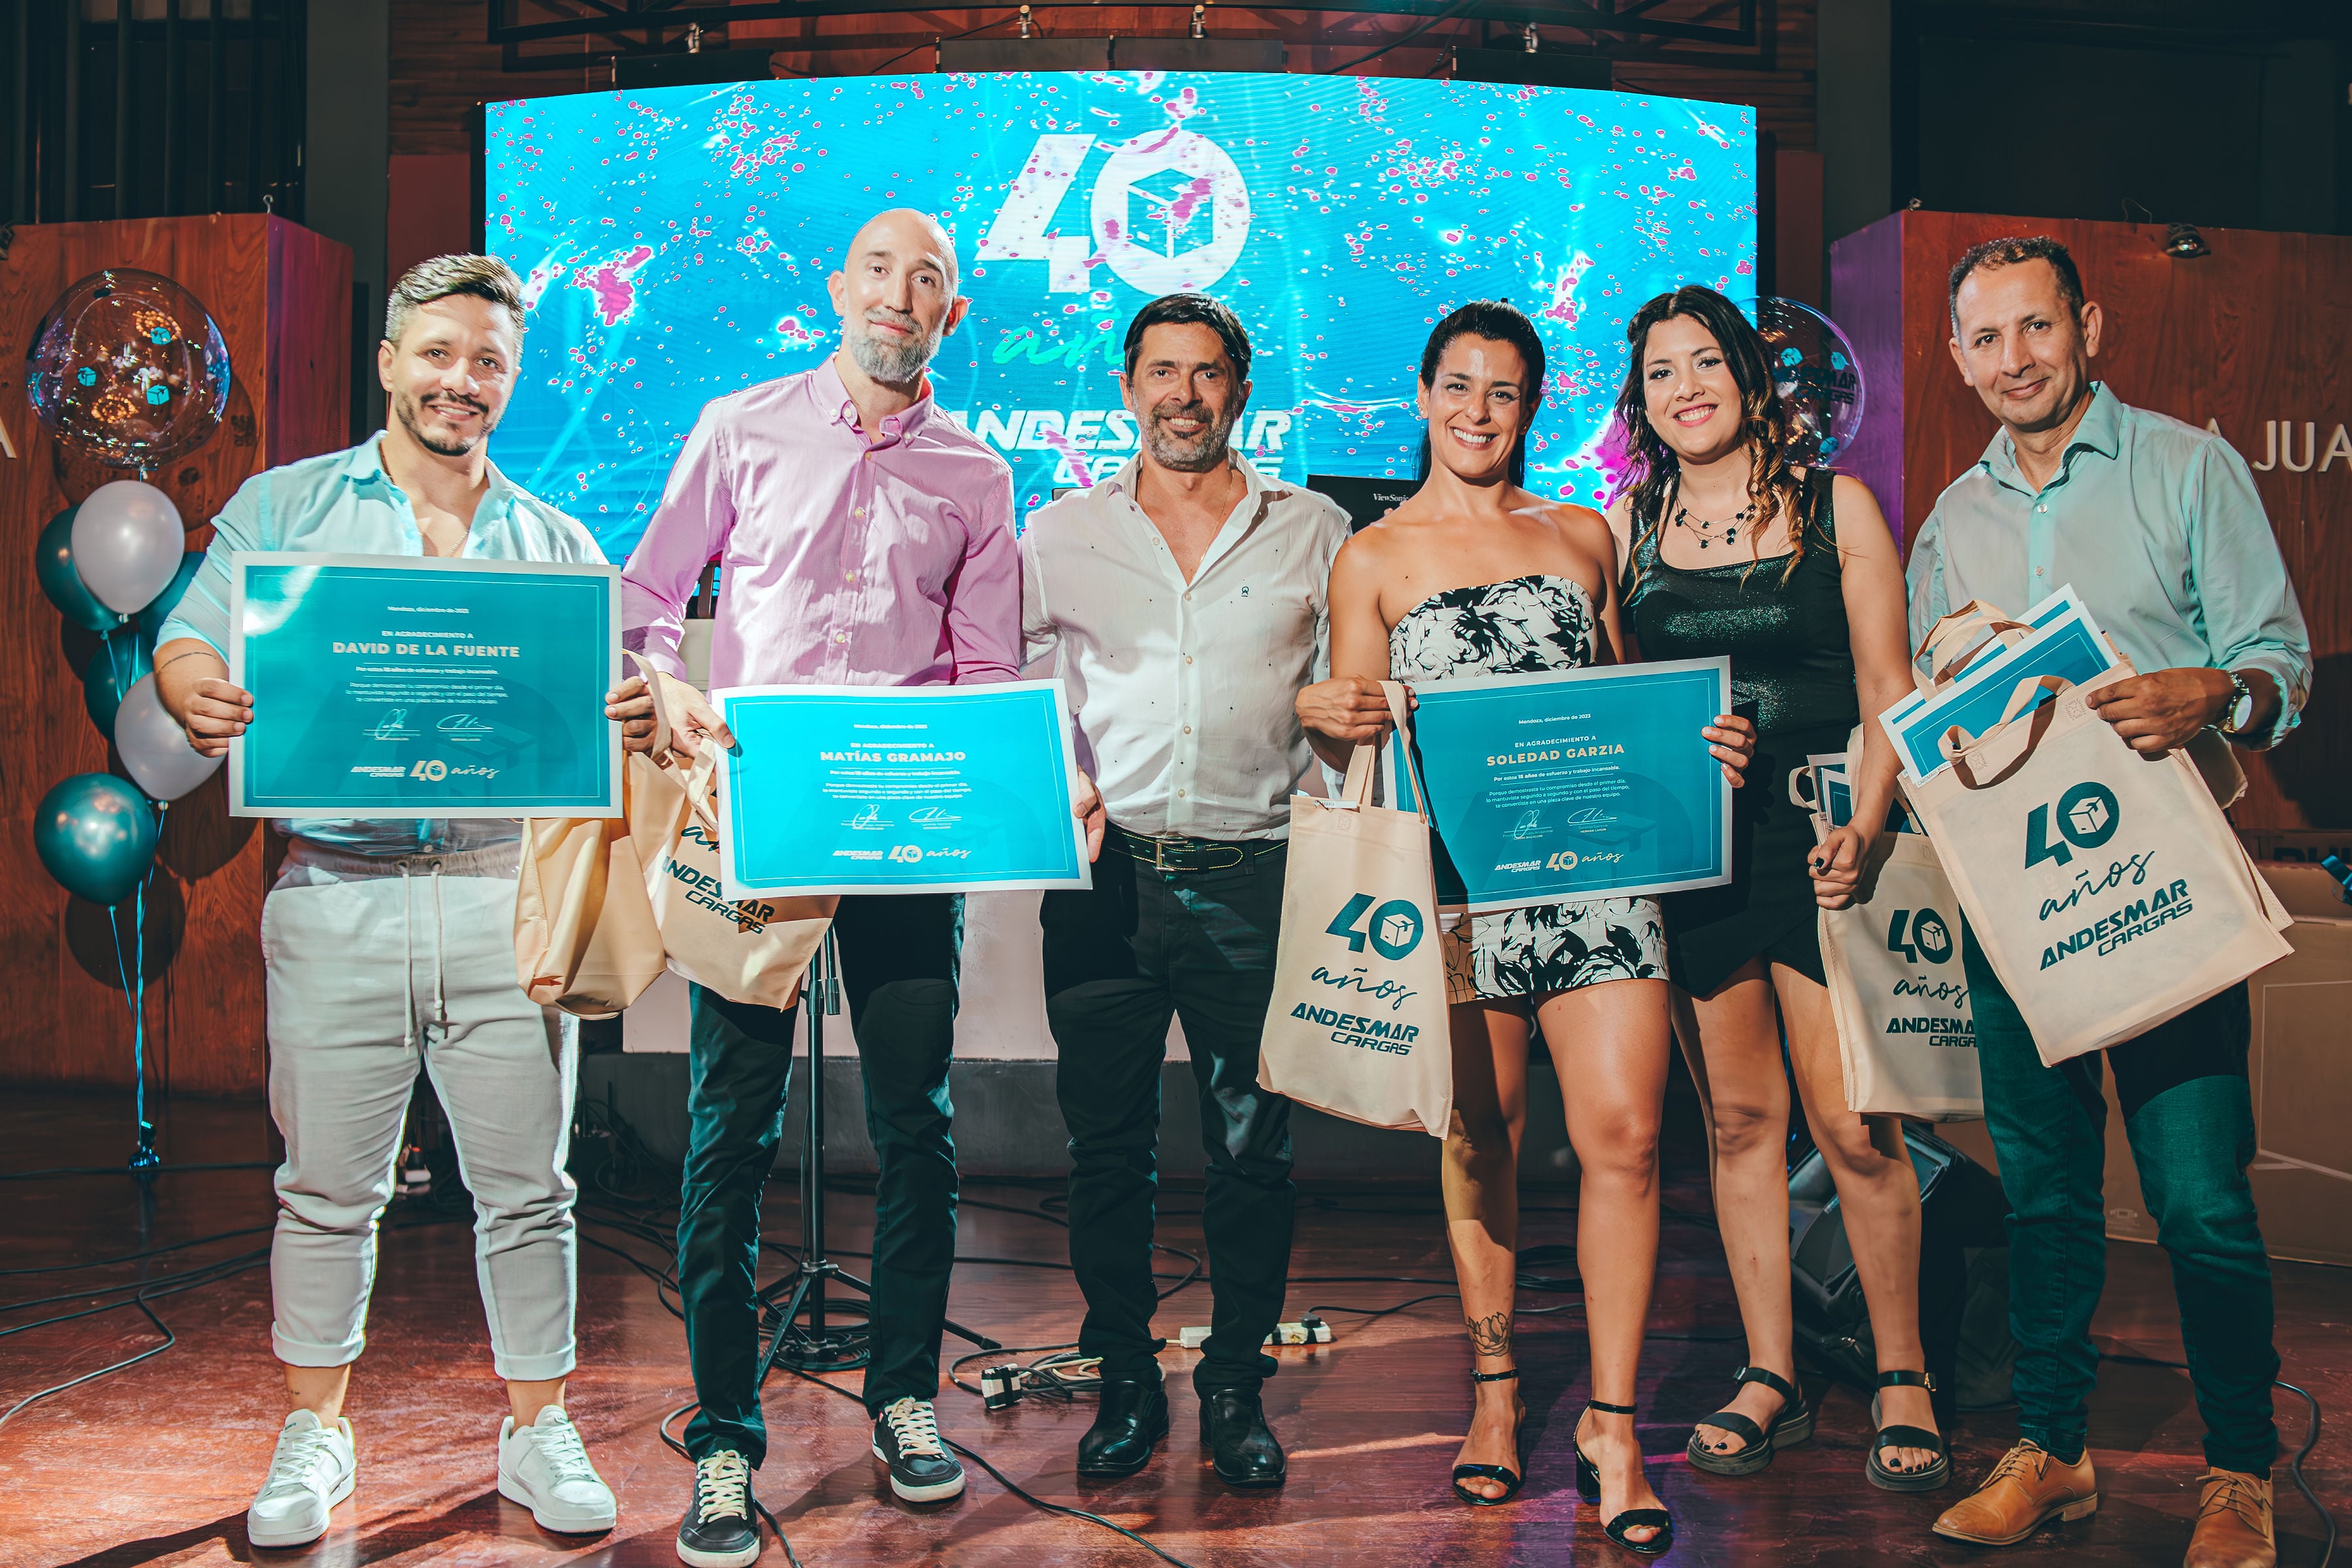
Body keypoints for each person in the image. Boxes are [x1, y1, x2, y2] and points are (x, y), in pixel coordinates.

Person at [154, 255, 633, 1550]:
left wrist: (634, 708)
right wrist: (192, 681)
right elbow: (188, 636)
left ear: (510, 381)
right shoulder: (283, 508)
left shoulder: (558, 544)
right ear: (387, 360)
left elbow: (606, 704)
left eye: (487, 362)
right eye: (438, 354)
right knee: (324, 1191)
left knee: (530, 1191)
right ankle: (316, 1429)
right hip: (333, 893)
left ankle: (538, 1431)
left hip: (501, 896)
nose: (460, 381)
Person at [1302, 301, 1756, 1556]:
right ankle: (1497, 1398)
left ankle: (1611, 1426)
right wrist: (1328, 707)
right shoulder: (1371, 556)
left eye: (1504, 392)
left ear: (1531, 405)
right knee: (1479, 1133)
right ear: (1424, 392)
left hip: (1597, 876)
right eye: (1459, 386)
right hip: (1452, 884)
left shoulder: (1582, 533)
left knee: (1624, 1135)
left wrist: (1708, 745)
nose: (1478, 411)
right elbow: (1351, 737)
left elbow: (1626, 702)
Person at [619, 209, 1019, 1568]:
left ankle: (904, 1394)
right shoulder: (742, 426)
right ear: (836, 286)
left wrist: (1008, 790)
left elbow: (982, 669)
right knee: (727, 1129)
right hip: (760, 824)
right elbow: (647, 588)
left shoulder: (977, 472)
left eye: (930, 280)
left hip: (906, 832)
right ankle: (726, 1439)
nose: (900, 297)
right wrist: (662, 688)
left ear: (949, 315)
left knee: (919, 1122)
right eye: (881, 271)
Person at [1912, 236, 2310, 1568]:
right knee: (2043, 1193)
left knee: (2200, 1201)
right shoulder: (1946, 521)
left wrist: (2219, 693)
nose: (2014, 360)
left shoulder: (2190, 468)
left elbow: (2279, 664)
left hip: (2162, 895)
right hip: (2015, 912)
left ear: (2087, 326)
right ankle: (2054, 1448)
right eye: (1986, 339)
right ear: (1957, 354)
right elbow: (1928, 721)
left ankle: (2241, 1473)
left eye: (2036, 329)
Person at [1605, 285, 1948, 1492]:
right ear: (1639, 398)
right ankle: (1773, 1370)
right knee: (1741, 1125)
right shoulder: (1632, 524)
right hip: (1695, 861)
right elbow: (1621, 708)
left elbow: (1888, 693)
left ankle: (1903, 1373)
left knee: (1856, 1125)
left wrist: (1864, 825)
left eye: (1708, 363)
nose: (1686, 387)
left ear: (1753, 382)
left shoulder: (1835, 506)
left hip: (1820, 850)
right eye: (1661, 372)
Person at [1021, 293, 1346, 1489]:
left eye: (1207, 374)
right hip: (1106, 882)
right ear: (1128, 386)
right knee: (1106, 1153)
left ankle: (1236, 1386)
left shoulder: (1314, 528)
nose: (1183, 396)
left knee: (1255, 1149)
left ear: (1240, 390)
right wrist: (1051, 778)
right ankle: (1122, 1379)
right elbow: (1006, 685)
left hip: (1261, 878)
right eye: (1162, 372)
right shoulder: (1058, 531)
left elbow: (1344, 689)